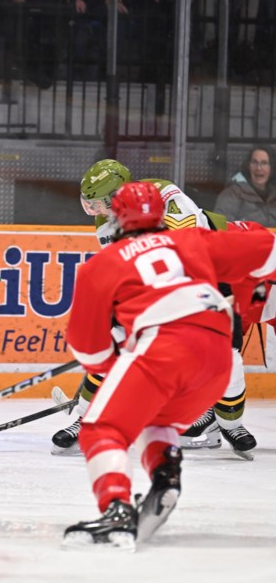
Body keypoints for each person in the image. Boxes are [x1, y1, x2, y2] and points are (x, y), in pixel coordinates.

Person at [62, 181, 276, 550]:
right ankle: (165, 478)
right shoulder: (195, 239)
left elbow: (89, 351)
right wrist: (252, 293)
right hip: (218, 354)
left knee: (101, 428)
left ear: (117, 218)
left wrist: (121, 356)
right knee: (157, 420)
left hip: (164, 350)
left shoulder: (106, 262)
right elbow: (266, 249)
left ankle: (116, 509)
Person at [51, 158, 259, 458]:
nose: (94, 212)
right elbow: (124, 266)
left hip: (211, 272)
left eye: (97, 204)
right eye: (90, 205)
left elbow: (190, 250)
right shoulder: (105, 223)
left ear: (114, 195)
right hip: (159, 280)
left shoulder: (165, 196)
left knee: (228, 357)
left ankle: (230, 424)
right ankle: (86, 415)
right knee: (113, 340)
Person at [213, 146, 276, 227]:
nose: (259, 168)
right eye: (254, 162)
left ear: (272, 168)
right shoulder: (233, 193)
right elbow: (220, 226)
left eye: (264, 163)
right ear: (248, 166)